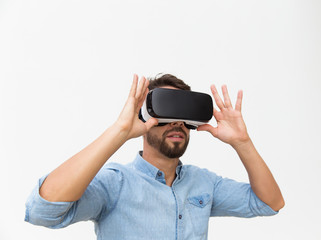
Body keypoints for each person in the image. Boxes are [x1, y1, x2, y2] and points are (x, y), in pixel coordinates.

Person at [25, 74, 285, 240]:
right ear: (146, 118)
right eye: (168, 111)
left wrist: (243, 143)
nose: (178, 123)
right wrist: (119, 131)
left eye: (185, 115)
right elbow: (43, 211)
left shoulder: (204, 183)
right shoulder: (115, 184)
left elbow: (269, 203)